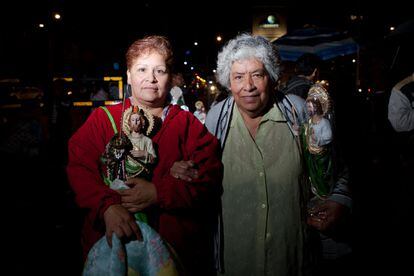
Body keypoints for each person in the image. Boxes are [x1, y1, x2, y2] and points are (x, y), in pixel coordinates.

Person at [67, 35, 223, 276]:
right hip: (112, 255)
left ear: (170, 78)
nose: (151, 79)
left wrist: (159, 192)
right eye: (142, 69)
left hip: (174, 257)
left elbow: (209, 176)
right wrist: (107, 207)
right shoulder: (102, 120)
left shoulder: (186, 124)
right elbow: (79, 169)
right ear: (128, 75)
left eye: (159, 71)